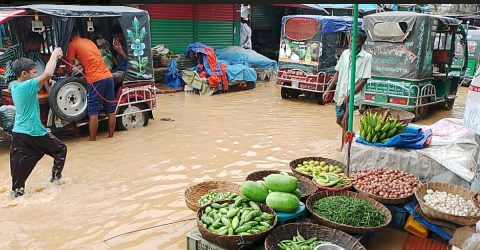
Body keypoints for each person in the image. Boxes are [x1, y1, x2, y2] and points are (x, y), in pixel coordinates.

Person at [9, 48, 66, 198]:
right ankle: (56, 181)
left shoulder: (14, 85)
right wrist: (54, 55)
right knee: (60, 149)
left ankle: (17, 195)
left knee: (19, 175)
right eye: (34, 72)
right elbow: (47, 74)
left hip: (18, 133)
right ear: (24, 74)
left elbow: (40, 82)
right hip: (33, 131)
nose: (37, 75)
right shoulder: (26, 86)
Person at [323, 30, 372, 150]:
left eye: (357, 41)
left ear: (362, 43)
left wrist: (351, 94)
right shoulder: (345, 54)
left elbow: (364, 80)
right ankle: (350, 134)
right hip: (341, 93)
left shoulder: (366, 57)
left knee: (345, 121)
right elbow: (337, 72)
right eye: (351, 39)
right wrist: (328, 89)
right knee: (339, 121)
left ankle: (343, 148)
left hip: (354, 96)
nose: (352, 42)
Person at [66, 25, 116, 141]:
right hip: (108, 76)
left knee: (93, 111)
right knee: (111, 110)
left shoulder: (72, 45)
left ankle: (92, 141)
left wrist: (69, 76)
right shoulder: (88, 41)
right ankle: (111, 138)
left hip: (95, 79)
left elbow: (70, 66)